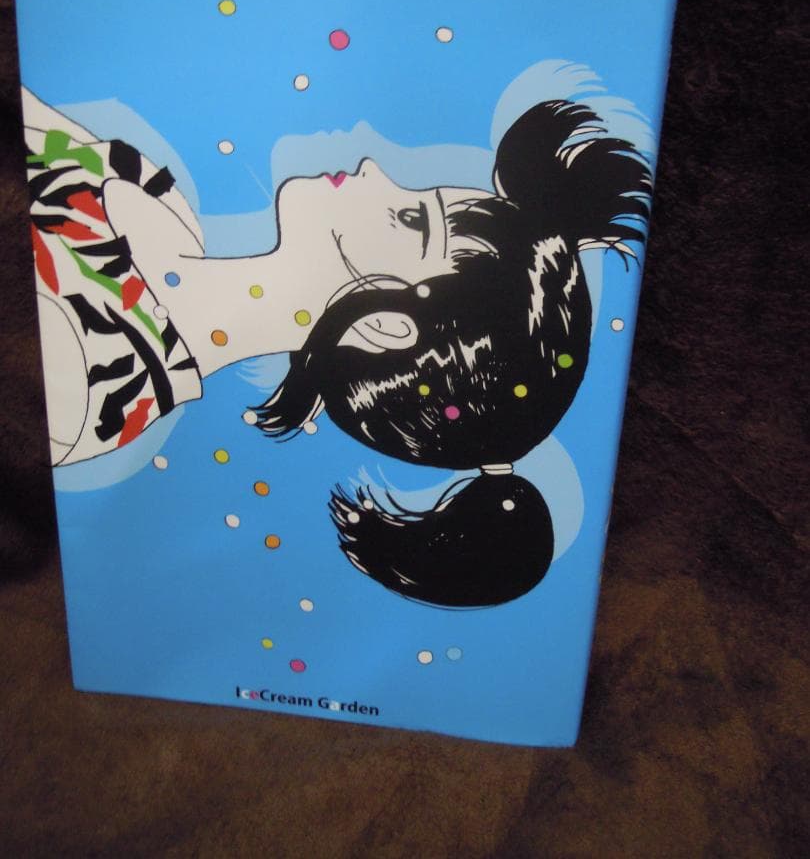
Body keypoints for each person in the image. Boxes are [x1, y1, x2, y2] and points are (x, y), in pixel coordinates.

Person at [24, 85, 652, 607]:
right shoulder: (161, 206)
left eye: (411, 219)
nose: (375, 169)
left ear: (385, 326)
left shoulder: (91, 378)